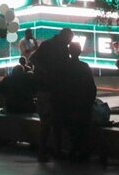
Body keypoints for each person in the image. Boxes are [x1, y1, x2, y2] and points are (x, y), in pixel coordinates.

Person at [31, 28, 71, 162]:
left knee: (51, 121)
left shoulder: (55, 45)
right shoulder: (51, 45)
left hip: (50, 89)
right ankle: (47, 151)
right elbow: (33, 59)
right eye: (69, 40)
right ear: (64, 37)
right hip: (49, 89)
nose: (69, 43)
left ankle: (50, 150)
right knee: (50, 121)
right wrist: (47, 72)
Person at [60, 41, 97, 163]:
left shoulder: (65, 67)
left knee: (72, 128)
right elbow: (91, 86)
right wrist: (90, 101)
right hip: (83, 103)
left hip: (69, 103)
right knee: (83, 128)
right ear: (80, 52)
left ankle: (74, 148)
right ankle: (82, 150)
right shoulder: (84, 66)